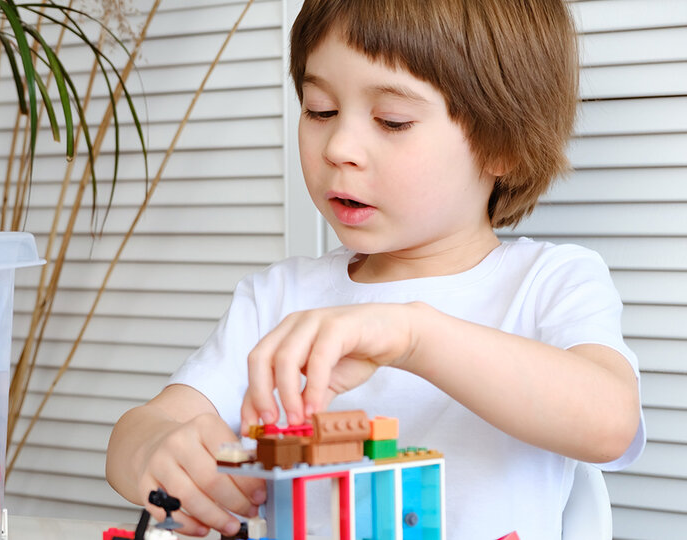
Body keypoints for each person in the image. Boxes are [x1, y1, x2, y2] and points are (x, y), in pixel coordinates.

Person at [106, 0, 645, 537]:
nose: (339, 147)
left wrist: (413, 335)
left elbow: (610, 424)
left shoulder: (547, 282)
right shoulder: (278, 296)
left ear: (500, 144)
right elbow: (140, 430)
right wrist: (156, 452)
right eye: (320, 110)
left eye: (392, 121)